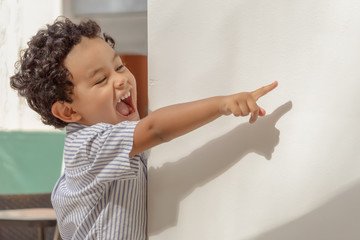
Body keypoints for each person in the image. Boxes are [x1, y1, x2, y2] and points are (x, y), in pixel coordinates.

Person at [10, 17, 278, 240]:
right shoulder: (89, 146)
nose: (121, 79)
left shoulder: (117, 139)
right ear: (68, 111)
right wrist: (222, 104)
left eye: (119, 66)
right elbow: (156, 129)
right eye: (101, 79)